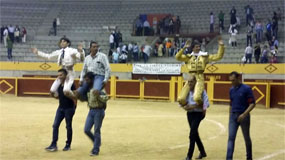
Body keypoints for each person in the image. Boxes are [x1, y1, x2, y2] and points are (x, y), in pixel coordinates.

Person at [175, 37, 224, 106]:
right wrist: (184, 48)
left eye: (199, 47)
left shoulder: (204, 56)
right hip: (191, 77)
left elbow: (218, 57)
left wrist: (221, 46)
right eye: (196, 47)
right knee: (181, 99)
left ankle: (202, 108)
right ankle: (190, 108)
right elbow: (177, 57)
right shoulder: (188, 57)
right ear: (193, 48)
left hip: (199, 77)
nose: (198, 48)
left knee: (197, 98)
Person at [45, 69, 77, 152]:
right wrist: (53, 95)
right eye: (58, 75)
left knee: (68, 126)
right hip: (61, 108)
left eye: (61, 75)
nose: (59, 77)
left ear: (65, 76)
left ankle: (68, 145)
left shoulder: (70, 85)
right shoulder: (58, 85)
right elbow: (59, 97)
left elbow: (75, 97)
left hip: (69, 108)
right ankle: (54, 144)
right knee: (55, 125)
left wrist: (74, 107)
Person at [226, 71, 256, 160]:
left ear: (238, 78)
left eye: (233, 80)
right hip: (233, 116)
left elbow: (252, 103)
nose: (232, 82)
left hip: (244, 117)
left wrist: (244, 114)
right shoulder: (231, 89)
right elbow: (231, 104)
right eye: (230, 81)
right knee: (231, 138)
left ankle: (249, 157)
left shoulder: (246, 88)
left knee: (246, 137)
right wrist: (230, 116)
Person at [182, 75, 209, 160]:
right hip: (189, 114)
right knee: (194, 134)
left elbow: (206, 103)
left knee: (192, 134)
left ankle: (189, 156)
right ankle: (202, 152)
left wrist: (194, 106)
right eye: (188, 82)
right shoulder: (186, 91)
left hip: (198, 114)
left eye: (191, 82)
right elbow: (181, 102)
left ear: (195, 82)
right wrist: (184, 106)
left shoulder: (201, 91)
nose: (189, 83)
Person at [82, 72, 108, 156]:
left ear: (92, 80)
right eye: (85, 80)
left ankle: (96, 149)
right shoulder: (87, 88)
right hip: (91, 111)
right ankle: (97, 142)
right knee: (86, 129)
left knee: (96, 130)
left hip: (98, 111)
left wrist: (98, 96)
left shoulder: (99, 88)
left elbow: (106, 98)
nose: (86, 81)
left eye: (88, 80)